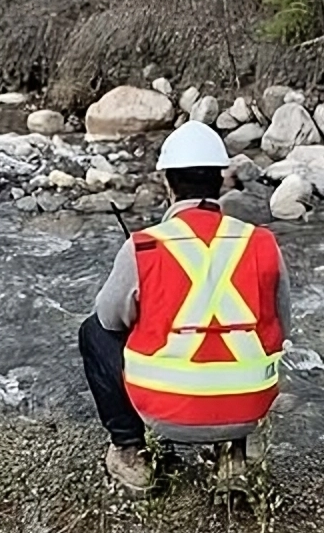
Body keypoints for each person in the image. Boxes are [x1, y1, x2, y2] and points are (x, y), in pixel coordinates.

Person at [77, 120, 292, 494]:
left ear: (167, 183)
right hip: (247, 410)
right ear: (221, 181)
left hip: (163, 412)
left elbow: (110, 319)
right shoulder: (262, 244)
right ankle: (232, 457)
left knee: (93, 332)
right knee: (248, 336)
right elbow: (280, 327)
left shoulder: (144, 247)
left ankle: (131, 453)